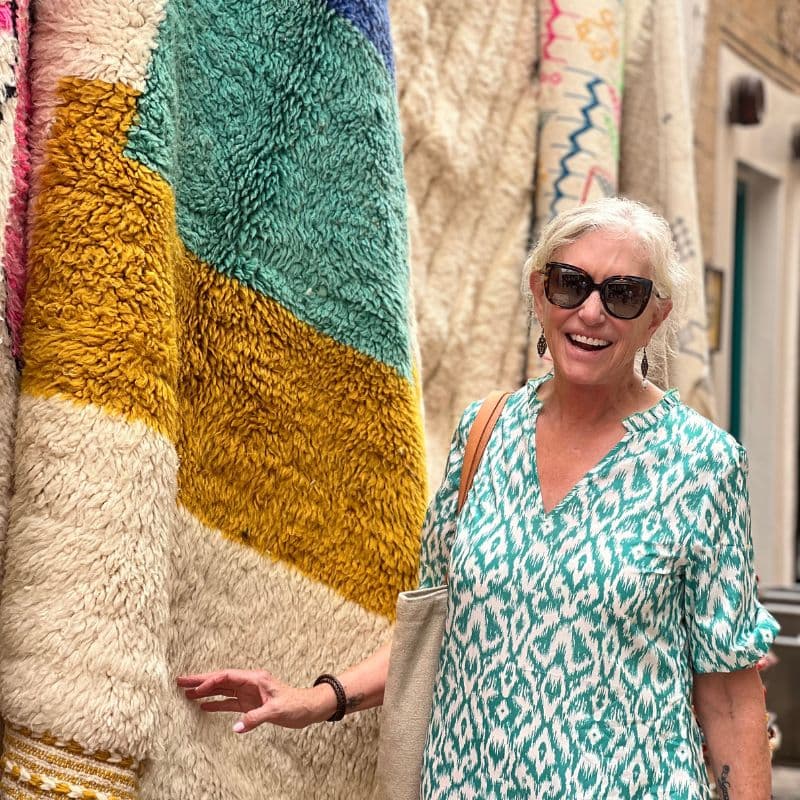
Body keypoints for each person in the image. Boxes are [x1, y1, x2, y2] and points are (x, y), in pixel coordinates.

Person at [178, 197, 779, 799]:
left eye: (623, 294)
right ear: (540, 294)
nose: (591, 313)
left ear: (655, 316)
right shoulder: (483, 432)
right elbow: (442, 630)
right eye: (570, 285)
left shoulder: (703, 465)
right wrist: (317, 699)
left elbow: (729, 701)